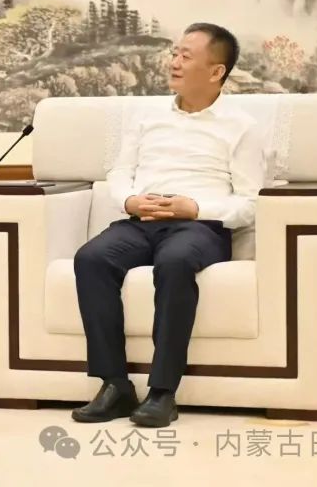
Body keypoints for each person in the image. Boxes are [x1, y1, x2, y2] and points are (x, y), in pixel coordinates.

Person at [71, 22, 266, 428]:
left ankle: (162, 392)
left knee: (175, 262)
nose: (173, 62)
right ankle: (114, 385)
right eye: (174, 53)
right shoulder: (147, 117)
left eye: (186, 56)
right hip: (141, 219)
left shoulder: (242, 127)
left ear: (216, 72)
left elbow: (249, 203)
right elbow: (119, 172)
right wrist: (130, 200)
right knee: (91, 258)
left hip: (200, 226)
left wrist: (193, 208)